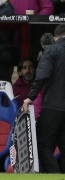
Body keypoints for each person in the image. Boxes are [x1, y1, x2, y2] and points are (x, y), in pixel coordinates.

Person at [23, 24, 65, 173]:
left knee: (41, 145)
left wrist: (30, 97)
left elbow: (42, 76)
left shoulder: (52, 50)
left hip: (53, 105)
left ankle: (55, 175)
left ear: (55, 37)